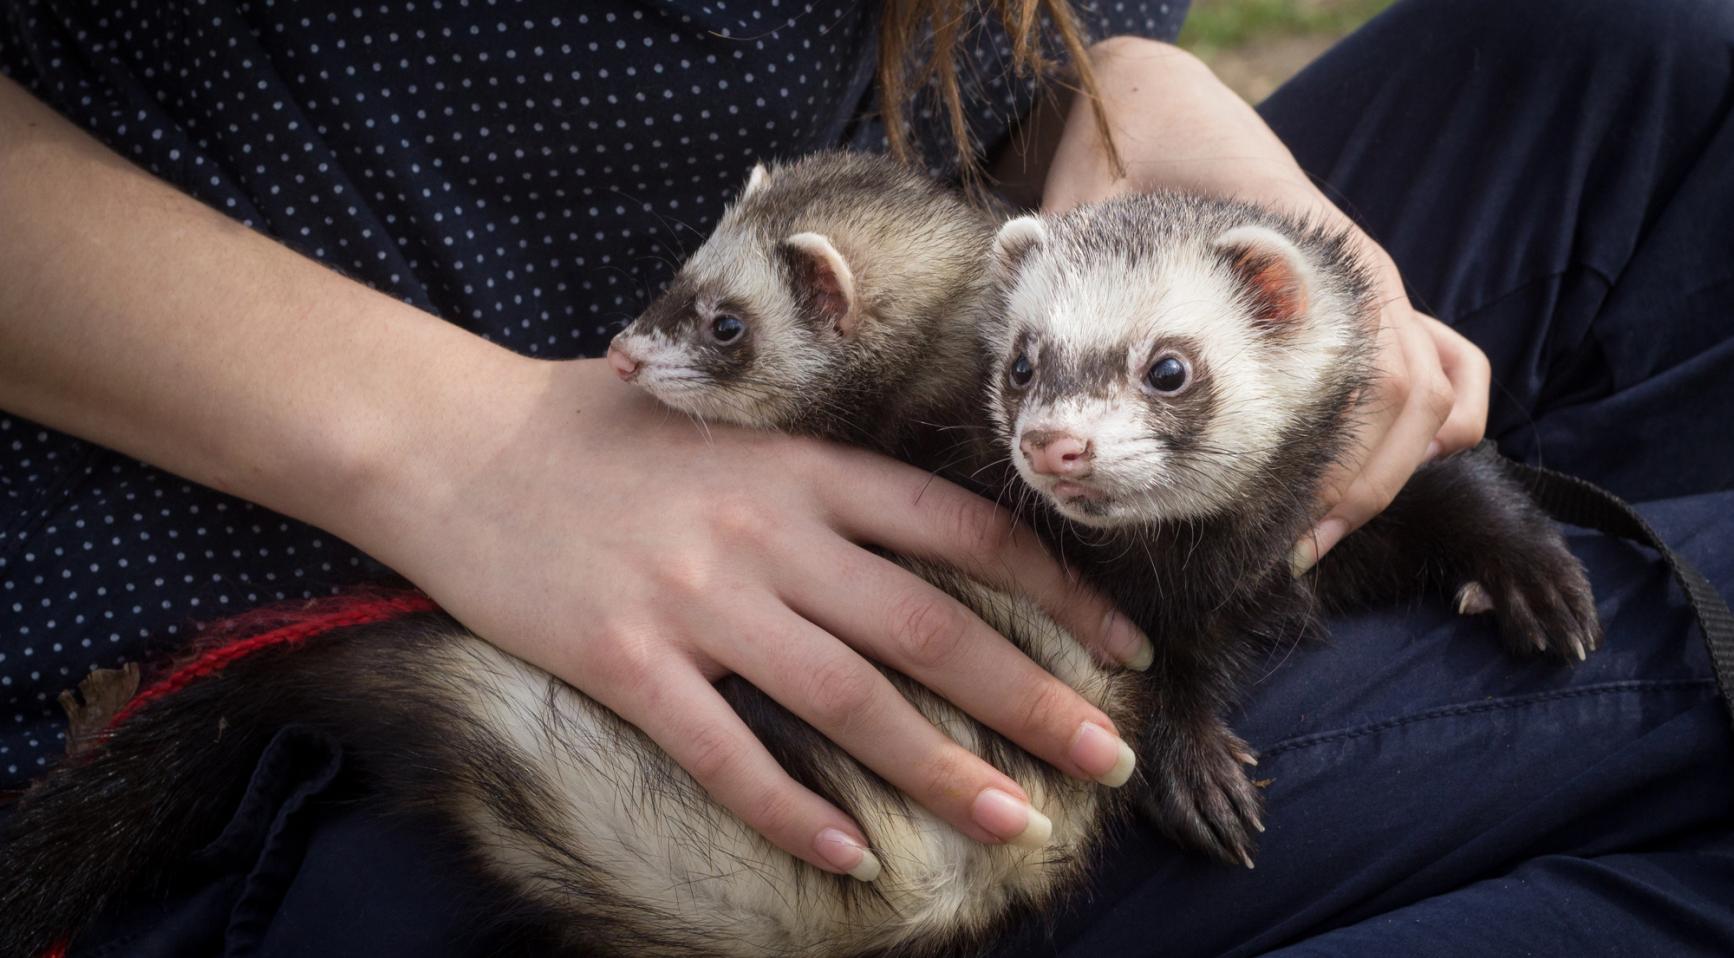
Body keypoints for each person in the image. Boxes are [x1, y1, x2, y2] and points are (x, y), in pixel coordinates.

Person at [0, 0, 1729, 954]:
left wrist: (1115, 84)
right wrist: (463, 444)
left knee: (1650, 72)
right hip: (273, 657)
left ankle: (1498, 757)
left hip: (904, 310)